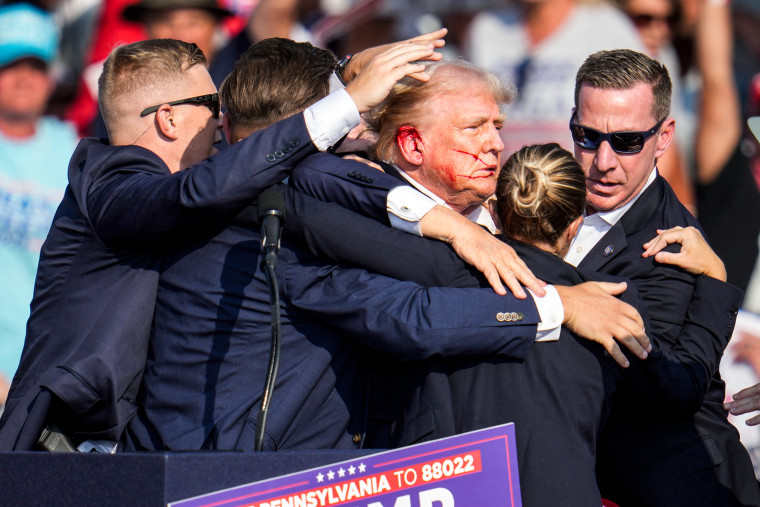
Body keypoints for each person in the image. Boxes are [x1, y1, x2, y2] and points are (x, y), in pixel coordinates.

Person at [122, 38, 575, 453]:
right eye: (475, 127)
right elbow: (410, 317)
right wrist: (561, 305)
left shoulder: (200, 196)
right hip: (241, 475)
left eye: (498, 126)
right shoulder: (281, 219)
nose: (496, 145)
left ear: (224, 121)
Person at [0, 34, 443, 452]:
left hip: (132, 450)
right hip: (62, 451)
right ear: (167, 117)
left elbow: (235, 172)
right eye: (211, 102)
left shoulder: (182, 189)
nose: (221, 115)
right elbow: (203, 190)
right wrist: (345, 103)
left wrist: (339, 75)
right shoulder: (110, 183)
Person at [564, 48, 759, 506]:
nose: (604, 161)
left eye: (628, 141)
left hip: (678, 487)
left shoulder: (674, 248)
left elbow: (669, 389)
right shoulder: (545, 195)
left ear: (664, 135)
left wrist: (555, 298)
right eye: (587, 137)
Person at [0, 3, 78, 409]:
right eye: (10, 65)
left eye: (35, 66)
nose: (24, 78)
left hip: (41, 382)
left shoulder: (75, 152)